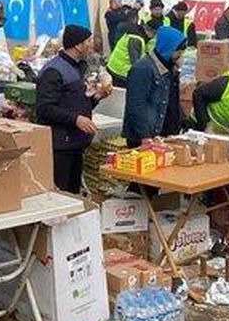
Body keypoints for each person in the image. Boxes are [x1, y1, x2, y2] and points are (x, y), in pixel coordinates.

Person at [35, 24, 109, 193]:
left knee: (73, 193)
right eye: (88, 41)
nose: (92, 44)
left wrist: (97, 97)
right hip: (60, 144)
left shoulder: (79, 67)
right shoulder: (53, 71)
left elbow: (77, 103)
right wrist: (76, 119)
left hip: (76, 143)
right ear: (77, 45)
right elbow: (45, 108)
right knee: (61, 193)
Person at [122, 27, 186, 146]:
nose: (181, 55)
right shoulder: (143, 68)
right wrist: (145, 136)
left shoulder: (170, 67)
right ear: (168, 48)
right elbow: (136, 105)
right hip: (145, 137)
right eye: (179, 51)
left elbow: (172, 100)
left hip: (163, 135)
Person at [105, 17, 150, 88]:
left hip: (114, 67)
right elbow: (135, 63)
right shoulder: (135, 39)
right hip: (120, 73)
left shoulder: (131, 33)